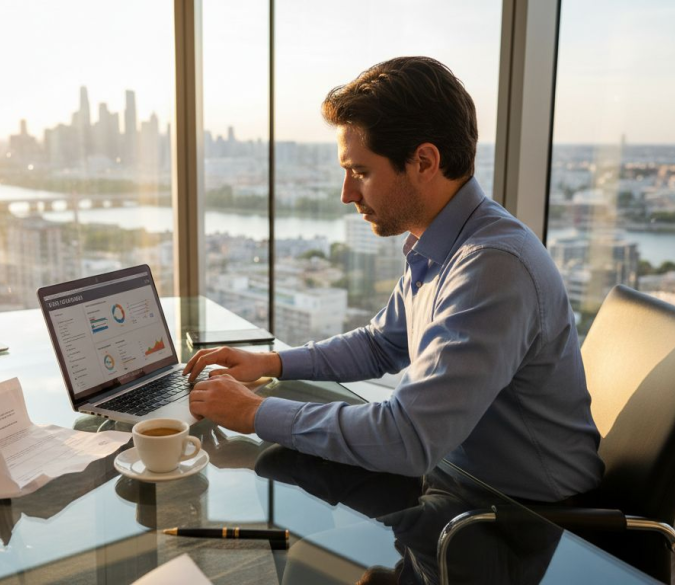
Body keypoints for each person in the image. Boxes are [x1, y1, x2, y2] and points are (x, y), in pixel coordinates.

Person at [185, 56, 603, 502]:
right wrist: (272, 364)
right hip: (452, 482)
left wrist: (254, 411)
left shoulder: (491, 268)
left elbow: (408, 439)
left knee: (271, 502)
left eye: (360, 172)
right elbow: (381, 343)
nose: (347, 194)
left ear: (424, 161)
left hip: (522, 519)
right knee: (284, 483)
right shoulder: (444, 242)